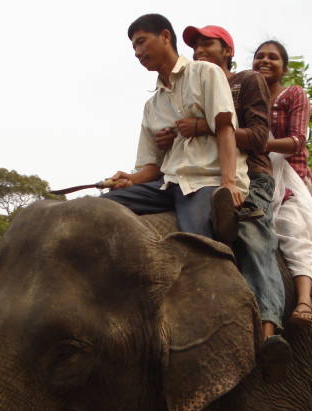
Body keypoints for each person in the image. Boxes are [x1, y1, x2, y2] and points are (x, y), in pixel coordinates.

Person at [172, 24, 289, 360]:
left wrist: (205, 128)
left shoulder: (246, 81)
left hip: (251, 174)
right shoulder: (192, 86)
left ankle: (267, 331)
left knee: (254, 237)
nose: (199, 52)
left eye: (208, 44)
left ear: (228, 51)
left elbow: (256, 137)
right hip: (203, 175)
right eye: (195, 48)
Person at [102, 13, 248, 241]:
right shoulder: (152, 105)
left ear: (165, 36)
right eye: (133, 48)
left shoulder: (205, 73)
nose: (137, 53)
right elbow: (151, 167)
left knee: (196, 241)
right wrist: (130, 180)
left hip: (206, 181)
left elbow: (224, 129)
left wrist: (229, 184)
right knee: (99, 207)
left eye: (141, 42)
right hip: (167, 184)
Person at [254, 40, 312, 324]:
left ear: (284, 68)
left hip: (288, 174)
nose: (264, 61)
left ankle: (304, 300)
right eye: (259, 56)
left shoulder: (293, 95)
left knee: (290, 224)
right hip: (255, 171)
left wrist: (262, 144)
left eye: (272, 58)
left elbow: (298, 141)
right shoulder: (248, 97)